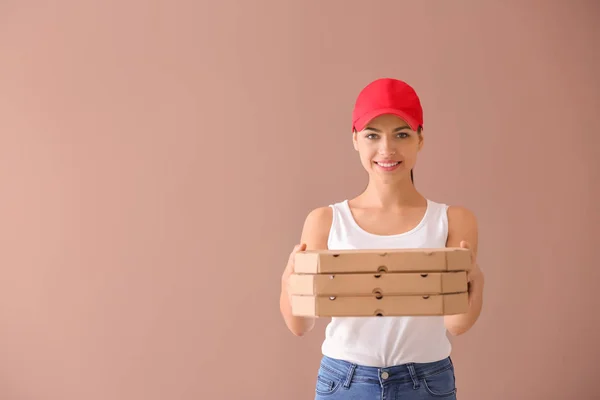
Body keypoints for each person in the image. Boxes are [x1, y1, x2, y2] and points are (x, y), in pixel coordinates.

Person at [279, 77, 485, 399]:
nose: (387, 149)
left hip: (426, 382)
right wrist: (289, 281)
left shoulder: (453, 221)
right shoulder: (324, 221)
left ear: (420, 139)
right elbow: (300, 326)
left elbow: (456, 324)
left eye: (401, 134)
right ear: (355, 140)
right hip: (344, 382)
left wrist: (476, 281)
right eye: (372, 135)